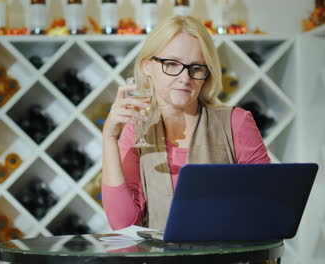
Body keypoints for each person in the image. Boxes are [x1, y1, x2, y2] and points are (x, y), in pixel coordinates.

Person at [101, 15, 270, 231]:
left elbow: (266, 209)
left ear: (207, 74)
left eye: (196, 68)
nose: (185, 78)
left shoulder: (236, 122)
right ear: (147, 66)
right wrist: (109, 138)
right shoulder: (136, 130)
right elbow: (123, 225)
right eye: (171, 64)